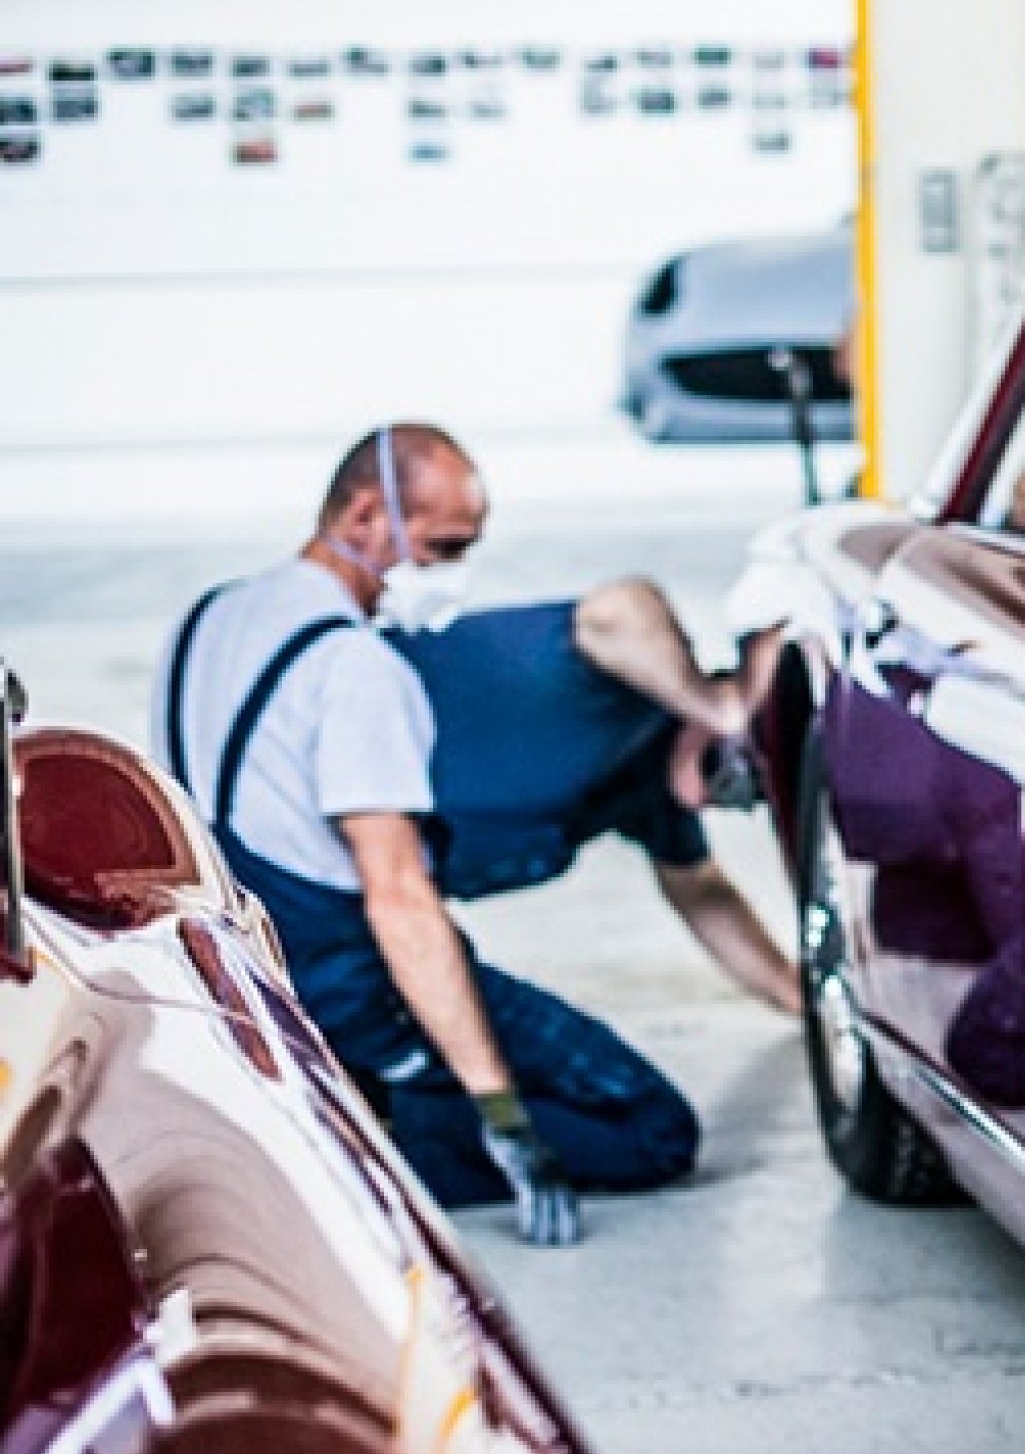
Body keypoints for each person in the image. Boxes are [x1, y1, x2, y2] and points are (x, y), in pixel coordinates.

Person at [150, 425, 761, 1242]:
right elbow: (400, 904)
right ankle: (365, 1147)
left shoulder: (209, 618)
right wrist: (499, 1110)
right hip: (349, 980)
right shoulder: (358, 669)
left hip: (239, 966)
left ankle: (347, 1097)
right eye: (440, 549)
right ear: (367, 515)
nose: (447, 576)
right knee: (649, 1127)